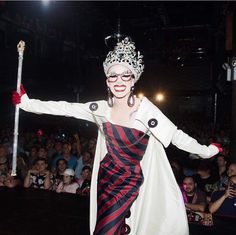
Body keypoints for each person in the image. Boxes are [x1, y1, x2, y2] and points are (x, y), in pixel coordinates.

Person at [12, 37, 222, 235]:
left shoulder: (145, 110)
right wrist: (27, 103)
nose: (119, 80)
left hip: (130, 182)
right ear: (107, 81)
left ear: (133, 79)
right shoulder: (100, 109)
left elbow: (175, 135)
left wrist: (206, 151)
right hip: (106, 179)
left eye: (125, 75)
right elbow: (66, 108)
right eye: (113, 75)